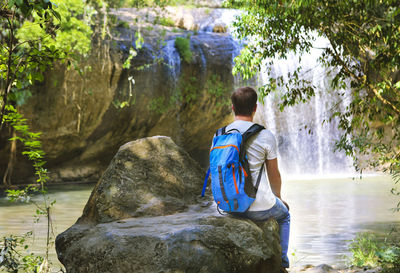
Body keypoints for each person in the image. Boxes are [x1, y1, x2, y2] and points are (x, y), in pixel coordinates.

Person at [226, 86, 290, 271]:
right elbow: (274, 175)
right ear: (255, 108)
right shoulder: (264, 135)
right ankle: (282, 264)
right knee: (285, 215)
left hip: (229, 206)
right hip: (259, 207)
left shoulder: (220, 134)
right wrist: (278, 198)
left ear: (232, 107)